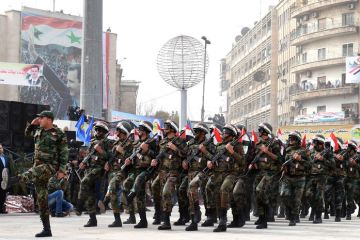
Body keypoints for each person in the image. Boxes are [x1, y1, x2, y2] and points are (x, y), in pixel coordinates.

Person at [19, 110, 69, 237]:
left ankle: (17, 179)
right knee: (42, 199)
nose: (39, 120)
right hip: (37, 167)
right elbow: (26, 134)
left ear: (49, 119)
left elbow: (64, 153)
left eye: (42, 118)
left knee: (32, 172)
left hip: (50, 166)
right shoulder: (38, 130)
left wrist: (62, 170)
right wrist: (31, 124)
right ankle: (47, 229)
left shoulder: (58, 133)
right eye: (39, 118)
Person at [205, 124, 245, 232]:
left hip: (232, 174)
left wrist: (232, 152)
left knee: (224, 189)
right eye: (223, 132)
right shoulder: (218, 146)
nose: (223, 134)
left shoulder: (237, 145)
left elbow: (243, 162)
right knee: (218, 195)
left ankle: (223, 221)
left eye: (226, 132)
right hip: (218, 174)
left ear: (231, 135)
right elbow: (214, 159)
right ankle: (221, 219)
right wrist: (210, 163)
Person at [151, 120, 188, 230]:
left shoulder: (180, 141)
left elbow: (185, 154)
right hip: (162, 172)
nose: (164, 129)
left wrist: (175, 148)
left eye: (167, 127)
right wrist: (155, 161)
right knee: (156, 189)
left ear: (172, 129)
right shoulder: (162, 142)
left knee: (166, 192)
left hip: (174, 172)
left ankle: (166, 221)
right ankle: (160, 214)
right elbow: (159, 156)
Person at [75, 122, 112, 227]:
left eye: (101, 131)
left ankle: (79, 205)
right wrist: (83, 163)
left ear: (104, 132)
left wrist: (100, 151)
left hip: (99, 169)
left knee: (84, 181)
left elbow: (110, 157)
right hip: (90, 168)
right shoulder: (92, 141)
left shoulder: (107, 142)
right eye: (97, 130)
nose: (98, 132)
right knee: (90, 195)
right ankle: (92, 219)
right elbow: (89, 156)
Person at [184, 123, 215, 231]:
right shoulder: (190, 143)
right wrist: (185, 162)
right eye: (195, 131)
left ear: (203, 133)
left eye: (197, 131)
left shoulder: (209, 144)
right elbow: (185, 156)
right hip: (191, 172)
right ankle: (193, 219)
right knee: (190, 193)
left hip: (204, 172)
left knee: (200, 191)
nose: (194, 133)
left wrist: (204, 151)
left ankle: (207, 215)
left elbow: (214, 159)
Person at [103, 121, 134, 227]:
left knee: (112, 186)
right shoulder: (115, 143)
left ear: (124, 132)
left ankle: (104, 201)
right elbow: (111, 157)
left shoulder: (130, 144)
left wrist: (123, 152)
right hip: (113, 171)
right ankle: (117, 220)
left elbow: (132, 160)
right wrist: (107, 164)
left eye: (119, 131)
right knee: (114, 195)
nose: (117, 133)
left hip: (123, 171)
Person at [252, 122, 281, 229]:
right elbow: (255, 156)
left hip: (270, 172)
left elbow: (279, 159)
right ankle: (261, 217)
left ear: (265, 131)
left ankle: (266, 216)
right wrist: (253, 164)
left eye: (260, 130)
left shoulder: (274, 143)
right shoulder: (258, 143)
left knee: (261, 191)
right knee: (257, 194)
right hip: (259, 172)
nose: (258, 131)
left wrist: (268, 152)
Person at [280, 131, 310, 226]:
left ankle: (294, 216)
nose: (290, 140)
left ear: (297, 140)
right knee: (284, 195)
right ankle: (289, 211)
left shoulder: (304, 151)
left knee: (296, 199)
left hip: (299, 178)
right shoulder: (287, 150)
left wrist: (300, 159)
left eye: (293, 139)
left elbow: (310, 165)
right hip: (287, 177)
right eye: (290, 138)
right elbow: (282, 161)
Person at [305, 134, 333, 224]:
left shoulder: (327, 152)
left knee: (318, 196)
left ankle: (318, 216)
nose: (314, 144)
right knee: (308, 194)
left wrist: (322, 159)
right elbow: (308, 163)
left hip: (322, 176)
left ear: (321, 144)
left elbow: (333, 165)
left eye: (315, 143)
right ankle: (317, 208)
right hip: (311, 176)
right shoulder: (311, 152)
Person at [0, 143, 11, 214]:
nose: (0, 149)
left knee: (3, 195)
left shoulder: (6, 158)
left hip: (5, 180)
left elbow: (8, 168)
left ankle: (1, 209)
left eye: (1, 148)